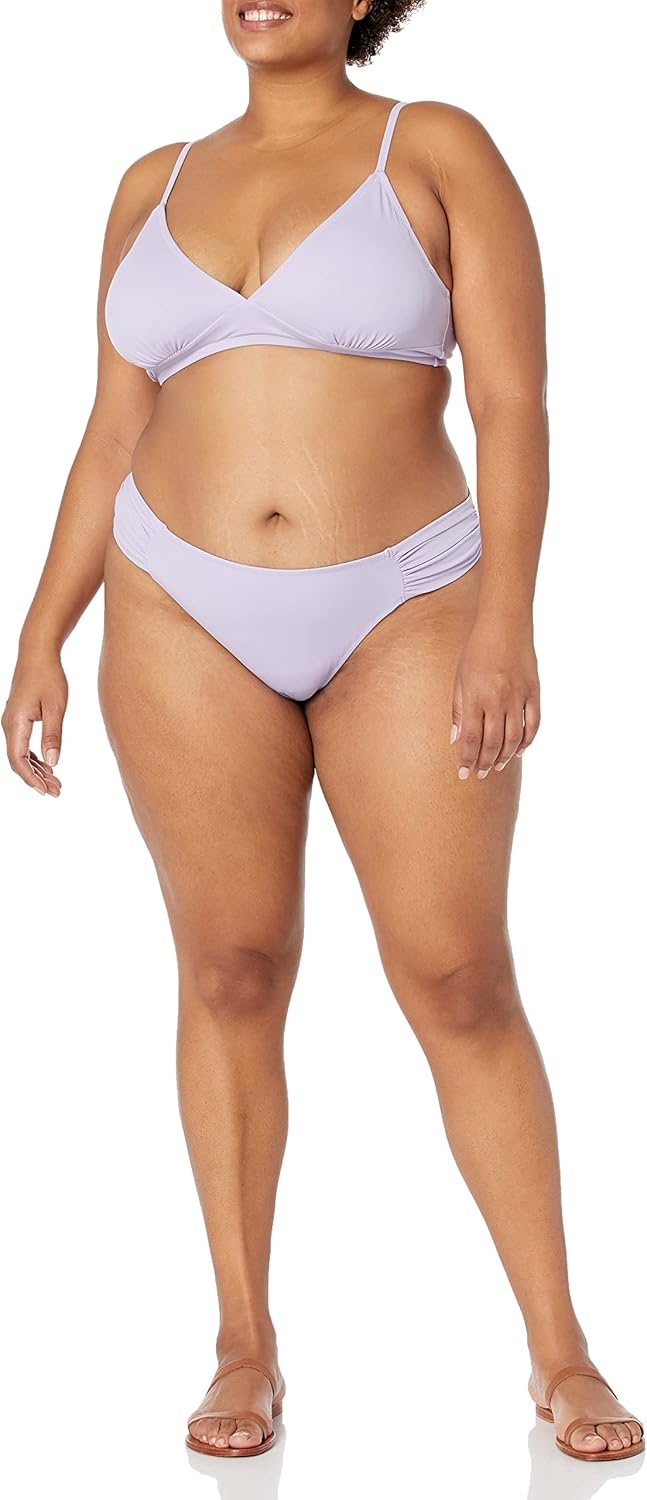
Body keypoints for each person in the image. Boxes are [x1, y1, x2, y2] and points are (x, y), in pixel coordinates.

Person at [2, 0, 643, 1466]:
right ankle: (244, 1343)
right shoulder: (148, 183)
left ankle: (560, 1350)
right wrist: (42, 629)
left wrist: (506, 619)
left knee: (459, 978)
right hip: (175, 603)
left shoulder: (438, 148)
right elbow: (110, 428)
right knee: (229, 968)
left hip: (406, 602)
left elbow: (515, 401)